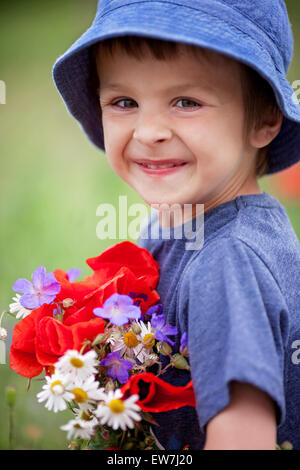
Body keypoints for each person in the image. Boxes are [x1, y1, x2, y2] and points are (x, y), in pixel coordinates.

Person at [52, 0, 300, 450]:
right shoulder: (182, 222)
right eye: (124, 101)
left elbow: (243, 437)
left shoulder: (228, 261)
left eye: (186, 102)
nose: (148, 131)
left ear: (264, 117)